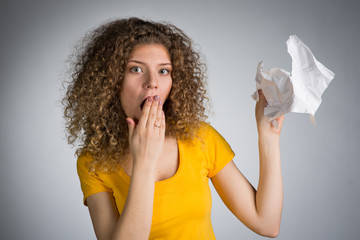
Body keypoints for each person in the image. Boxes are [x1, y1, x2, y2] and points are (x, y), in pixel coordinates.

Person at [63, 17, 284, 240]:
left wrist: (269, 137)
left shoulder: (200, 138)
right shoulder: (93, 161)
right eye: (136, 69)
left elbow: (266, 224)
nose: (152, 83)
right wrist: (145, 163)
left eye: (163, 71)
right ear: (111, 81)